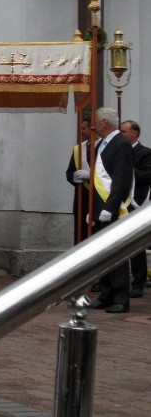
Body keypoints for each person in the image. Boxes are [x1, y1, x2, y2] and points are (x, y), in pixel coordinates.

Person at [88, 108, 134, 313]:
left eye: (96, 122)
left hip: (113, 208)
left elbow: (121, 179)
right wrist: (95, 208)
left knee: (116, 253)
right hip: (102, 207)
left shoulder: (121, 144)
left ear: (104, 122)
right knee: (103, 254)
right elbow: (100, 180)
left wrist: (110, 207)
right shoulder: (104, 144)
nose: (94, 125)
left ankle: (121, 297)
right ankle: (106, 294)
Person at [119, 120, 151, 298]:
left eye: (124, 132)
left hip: (136, 202)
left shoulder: (145, 153)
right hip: (118, 201)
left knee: (135, 245)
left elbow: (148, 175)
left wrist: (128, 171)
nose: (121, 134)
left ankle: (138, 282)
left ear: (134, 134)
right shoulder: (118, 151)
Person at [65, 118, 97, 244]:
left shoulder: (103, 147)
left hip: (97, 197)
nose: (81, 131)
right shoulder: (79, 149)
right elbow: (69, 172)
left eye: (84, 128)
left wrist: (90, 175)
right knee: (80, 235)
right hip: (81, 198)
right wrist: (74, 177)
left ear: (92, 129)